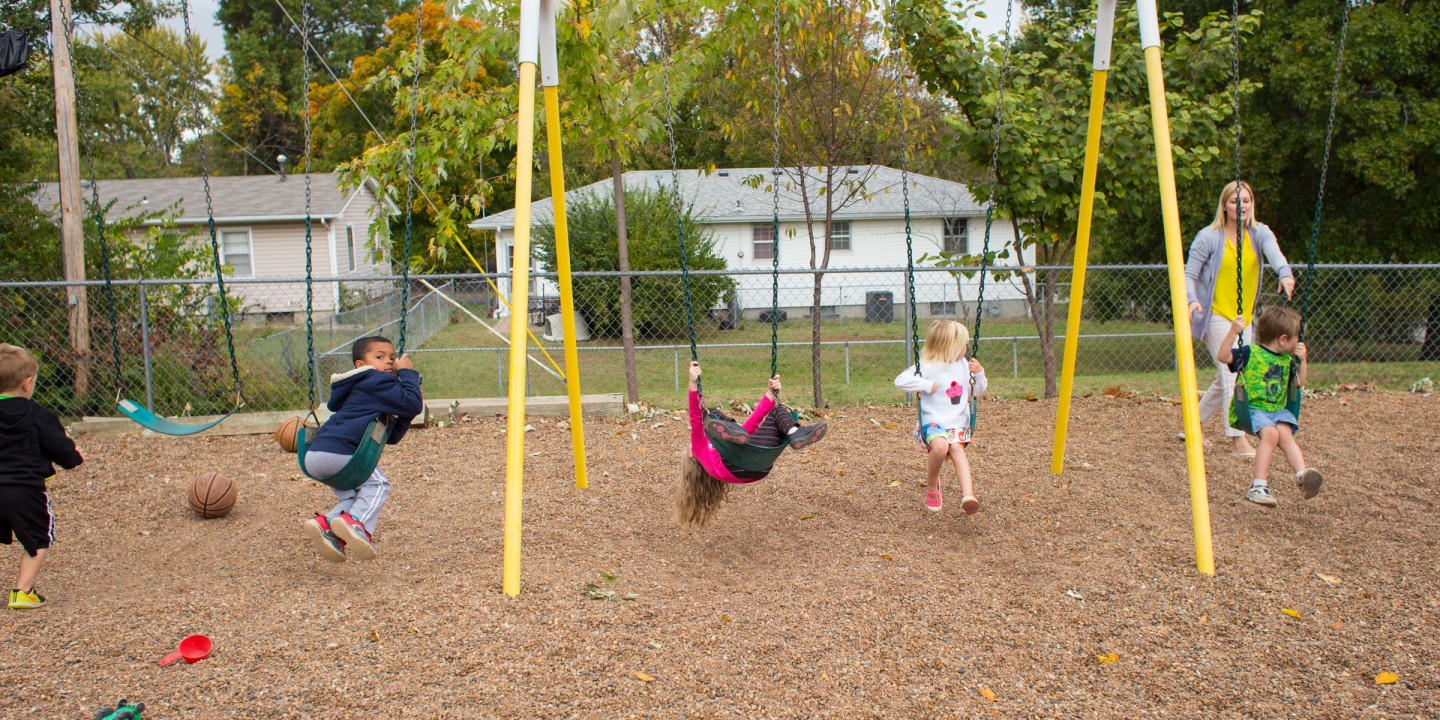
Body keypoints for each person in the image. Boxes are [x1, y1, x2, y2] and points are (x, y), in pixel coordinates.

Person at [1185, 180, 1295, 457]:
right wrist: (1192, 299)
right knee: (1230, 374)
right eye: (1235, 201)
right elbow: (1189, 273)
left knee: (1227, 375)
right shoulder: (1209, 236)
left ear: (1252, 205)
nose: (1241, 206)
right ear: (1225, 206)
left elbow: (1275, 254)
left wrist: (1284, 272)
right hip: (1214, 314)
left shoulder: (1260, 233)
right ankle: (1237, 440)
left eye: (1246, 201)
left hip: (1244, 317)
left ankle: (1192, 426)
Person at [300, 335, 423, 562]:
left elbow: (392, 435)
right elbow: (412, 402)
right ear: (361, 365)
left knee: (354, 495)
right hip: (342, 453)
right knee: (378, 484)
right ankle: (356, 523)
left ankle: (326, 524)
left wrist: (408, 412)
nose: (389, 362)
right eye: (380, 356)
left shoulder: (362, 389)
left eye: (393, 358)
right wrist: (407, 374)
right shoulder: (375, 381)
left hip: (317, 457)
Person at [676, 361, 827, 528]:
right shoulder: (699, 448)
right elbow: (696, 417)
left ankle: (795, 433)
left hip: (758, 466)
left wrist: (770, 395)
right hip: (739, 461)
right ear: (691, 454)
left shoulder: (717, 462)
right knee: (709, 413)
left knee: (772, 414)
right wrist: (692, 383)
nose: (690, 443)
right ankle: (740, 429)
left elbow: (750, 428)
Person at [0, 344, 84, 609]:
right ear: (27, 384)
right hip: (24, 491)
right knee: (38, 537)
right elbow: (59, 447)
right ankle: (22, 592)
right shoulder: (36, 414)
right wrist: (75, 455)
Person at [1215, 307, 1323, 507]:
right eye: (1296, 339)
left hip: (1276, 411)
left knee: (1285, 433)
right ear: (1283, 339)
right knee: (1272, 435)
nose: (1298, 343)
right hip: (1253, 410)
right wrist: (1233, 332)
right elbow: (1223, 356)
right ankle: (1258, 486)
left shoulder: (1287, 360)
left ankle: (1302, 476)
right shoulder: (1250, 353)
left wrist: (1303, 360)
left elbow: (1299, 383)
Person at [893, 319, 987, 515]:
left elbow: (977, 390)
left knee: (957, 449)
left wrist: (979, 374)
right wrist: (926, 385)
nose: (966, 348)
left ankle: (968, 496)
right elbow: (900, 381)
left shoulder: (964, 364)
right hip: (933, 423)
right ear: (949, 347)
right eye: (962, 344)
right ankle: (932, 485)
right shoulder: (927, 366)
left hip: (958, 423)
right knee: (940, 447)